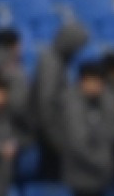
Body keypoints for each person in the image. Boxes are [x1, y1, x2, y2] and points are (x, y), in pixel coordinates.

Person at [29, 21, 89, 180]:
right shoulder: (51, 63)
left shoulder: (57, 61)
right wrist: (56, 140)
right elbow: (46, 105)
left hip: (51, 131)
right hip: (49, 134)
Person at [63, 60, 114, 196]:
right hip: (80, 173)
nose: (95, 86)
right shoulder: (72, 103)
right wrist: (102, 163)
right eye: (91, 81)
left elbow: (112, 131)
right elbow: (77, 142)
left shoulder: (107, 101)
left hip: (102, 177)